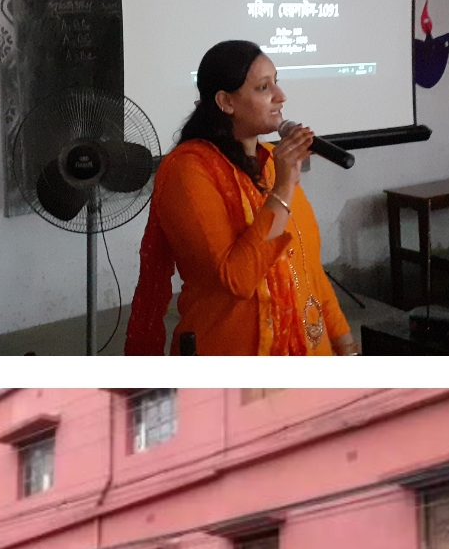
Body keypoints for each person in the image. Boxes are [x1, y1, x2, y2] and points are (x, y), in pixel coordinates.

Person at [138, 39, 354, 356]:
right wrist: (283, 186)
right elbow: (237, 278)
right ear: (226, 101)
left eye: (276, 83)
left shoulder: (270, 161)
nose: (281, 97)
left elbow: (310, 272)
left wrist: (346, 346)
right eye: (263, 87)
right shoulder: (187, 171)